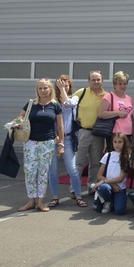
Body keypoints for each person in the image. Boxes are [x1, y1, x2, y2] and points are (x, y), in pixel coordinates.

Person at [17, 79, 64, 212]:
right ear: (37, 90)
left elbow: (60, 127)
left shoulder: (55, 105)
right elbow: (19, 119)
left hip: (48, 143)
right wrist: (14, 124)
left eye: (45, 88)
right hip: (30, 142)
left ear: (50, 89)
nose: (43, 91)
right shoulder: (31, 104)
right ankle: (31, 201)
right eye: (40, 88)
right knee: (30, 172)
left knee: (43, 172)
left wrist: (61, 143)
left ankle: (41, 202)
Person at [47, 75, 86, 209]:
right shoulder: (52, 102)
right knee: (52, 170)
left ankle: (79, 196)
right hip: (53, 138)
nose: (64, 87)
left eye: (67, 85)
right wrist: (57, 137)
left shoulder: (74, 98)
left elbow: (68, 104)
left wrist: (63, 89)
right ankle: (55, 197)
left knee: (72, 169)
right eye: (61, 85)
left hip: (68, 138)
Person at [74, 70, 108, 193]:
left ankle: (92, 186)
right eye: (93, 80)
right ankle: (74, 188)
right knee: (79, 162)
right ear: (89, 81)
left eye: (98, 79)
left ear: (102, 80)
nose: (96, 82)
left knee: (95, 163)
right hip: (84, 132)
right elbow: (68, 105)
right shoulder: (81, 93)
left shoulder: (106, 95)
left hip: (99, 134)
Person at [92, 132, 130, 215]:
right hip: (109, 186)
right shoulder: (108, 155)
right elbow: (99, 175)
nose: (117, 144)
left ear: (124, 143)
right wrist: (112, 185)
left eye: (120, 142)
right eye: (115, 142)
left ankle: (114, 201)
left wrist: (104, 181)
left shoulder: (127, 157)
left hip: (120, 188)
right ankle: (108, 201)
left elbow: (120, 179)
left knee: (119, 211)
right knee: (104, 188)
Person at [97, 71, 134, 145]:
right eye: (120, 84)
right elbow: (101, 114)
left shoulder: (129, 98)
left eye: (124, 84)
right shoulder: (109, 96)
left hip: (128, 134)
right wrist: (117, 113)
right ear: (114, 84)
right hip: (115, 134)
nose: (122, 86)